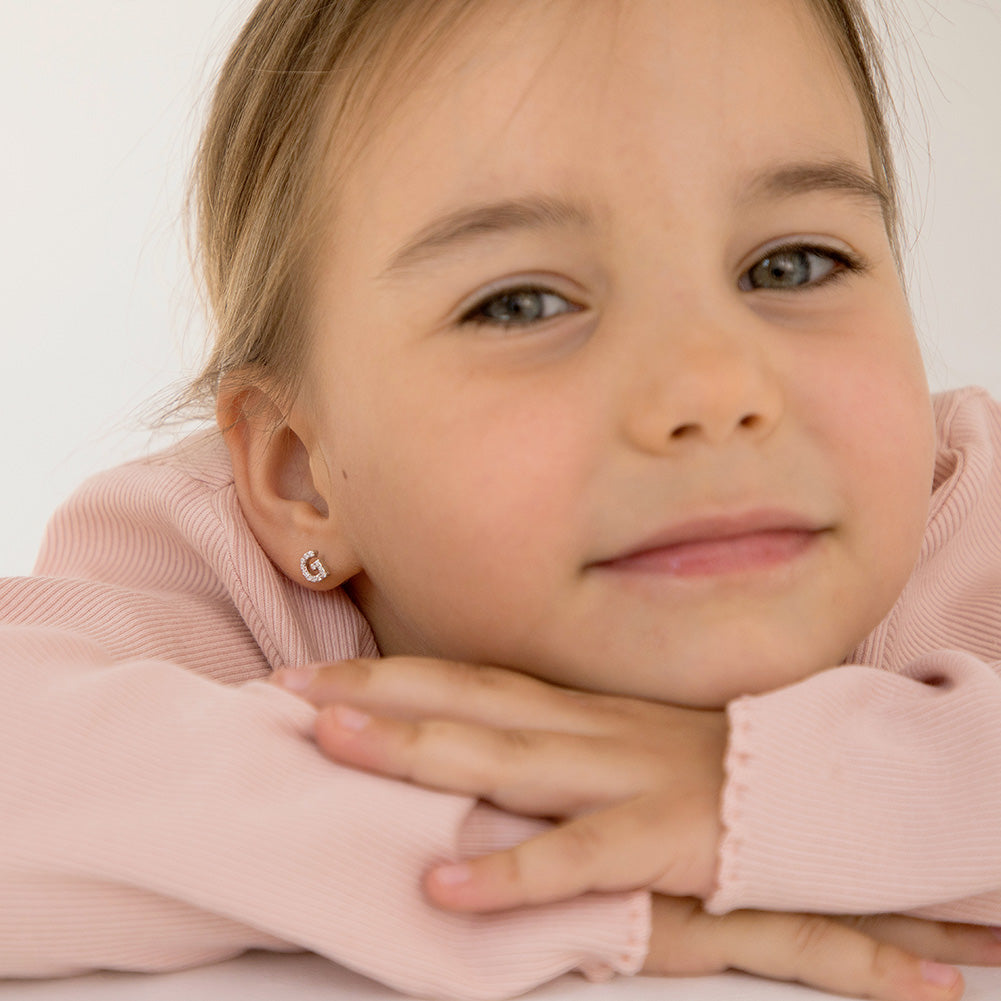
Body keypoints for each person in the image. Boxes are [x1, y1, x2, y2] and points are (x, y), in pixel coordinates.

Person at [2, 0, 1000, 999]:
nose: (713, 386)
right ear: (303, 473)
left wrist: (783, 792)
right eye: (522, 304)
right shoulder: (214, 563)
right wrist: (526, 851)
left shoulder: (965, 504)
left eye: (791, 265)